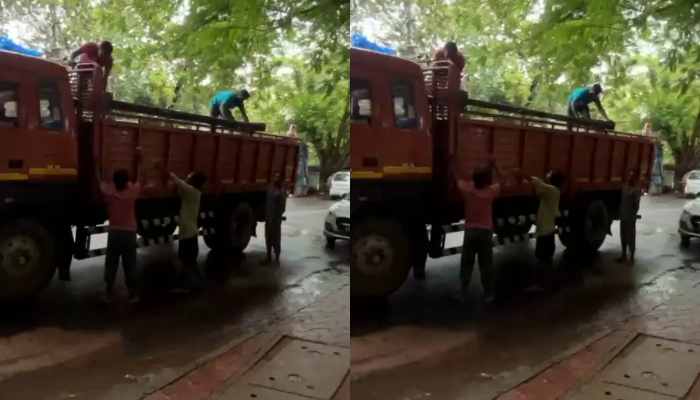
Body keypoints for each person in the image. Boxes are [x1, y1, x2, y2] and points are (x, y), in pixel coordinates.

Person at [450, 156, 506, 303]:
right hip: (485, 232)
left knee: (466, 264)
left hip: (470, 232)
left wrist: (453, 163)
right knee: (486, 264)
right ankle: (488, 293)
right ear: (487, 181)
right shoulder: (490, 192)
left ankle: (463, 293)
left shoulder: (468, 190)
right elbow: (503, 179)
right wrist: (494, 165)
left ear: (473, 179)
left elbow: (457, 177)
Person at [97, 148, 143, 305]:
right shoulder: (132, 193)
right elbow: (141, 179)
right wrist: (139, 161)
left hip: (114, 233)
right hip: (129, 234)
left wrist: (98, 166)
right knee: (130, 265)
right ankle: (133, 294)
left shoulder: (109, 193)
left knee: (111, 264)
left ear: (115, 181)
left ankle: (106, 293)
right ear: (127, 181)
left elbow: (100, 181)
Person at [153, 161, 206, 292]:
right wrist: (185, 181)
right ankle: (195, 282)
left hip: (188, 233)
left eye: (190, 176)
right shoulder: (191, 193)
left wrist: (162, 169)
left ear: (194, 181)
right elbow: (178, 190)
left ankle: (188, 285)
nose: (188, 176)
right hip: (188, 232)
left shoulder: (194, 192)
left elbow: (177, 181)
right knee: (189, 260)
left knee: (186, 259)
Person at [522, 171, 564, 291]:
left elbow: (538, 183)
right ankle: (548, 282)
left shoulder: (551, 190)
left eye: (549, 174)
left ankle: (542, 284)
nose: (547, 175)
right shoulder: (552, 192)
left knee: (542, 259)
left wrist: (527, 175)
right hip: (548, 230)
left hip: (545, 231)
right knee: (546, 259)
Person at [618, 171, 642, 265]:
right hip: (623, 216)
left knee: (631, 236)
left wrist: (632, 215)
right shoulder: (625, 188)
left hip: (630, 217)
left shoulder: (636, 190)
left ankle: (631, 257)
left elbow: (636, 205)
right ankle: (623, 255)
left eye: (632, 176)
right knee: (623, 235)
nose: (629, 177)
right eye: (629, 175)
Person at [263, 173, 286, 264]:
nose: (276, 179)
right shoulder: (271, 190)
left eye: (278, 178)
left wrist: (277, 217)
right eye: (275, 177)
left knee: (276, 238)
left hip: (275, 220)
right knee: (268, 237)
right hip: (269, 218)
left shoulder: (281, 192)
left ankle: (277, 257)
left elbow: (282, 207)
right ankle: (268, 256)